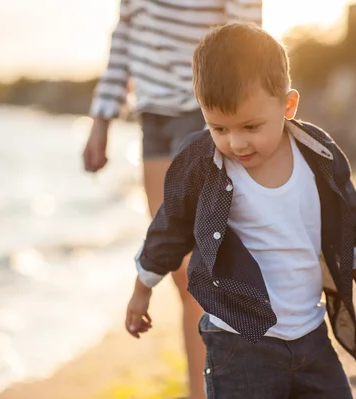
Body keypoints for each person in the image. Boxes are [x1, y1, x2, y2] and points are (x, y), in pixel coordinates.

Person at [126, 23, 356, 398]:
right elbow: (169, 228)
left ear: (288, 105)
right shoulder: (201, 162)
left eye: (251, 126)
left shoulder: (320, 155)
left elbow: (354, 229)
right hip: (238, 344)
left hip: (311, 337)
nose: (236, 143)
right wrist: (142, 290)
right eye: (218, 127)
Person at [82, 2, 262, 398]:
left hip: (203, 111)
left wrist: (242, 119)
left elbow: (246, 28)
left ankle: (219, 388)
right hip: (152, 117)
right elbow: (125, 37)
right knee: (181, 274)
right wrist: (101, 121)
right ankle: (202, 389)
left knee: (201, 271)